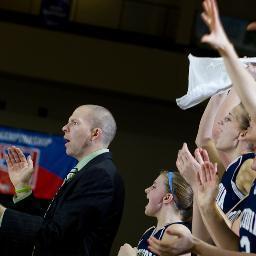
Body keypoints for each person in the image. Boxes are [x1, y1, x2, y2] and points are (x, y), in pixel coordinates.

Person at [0, 104, 125, 256]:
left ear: (95, 133)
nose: (64, 127)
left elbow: (57, 235)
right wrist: (22, 186)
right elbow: (50, 224)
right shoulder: (91, 171)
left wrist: (3, 214)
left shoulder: (100, 175)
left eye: (74, 122)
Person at [117, 171, 193, 256]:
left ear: (167, 197)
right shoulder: (150, 232)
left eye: (154, 187)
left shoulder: (178, 232)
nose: (146, 190)